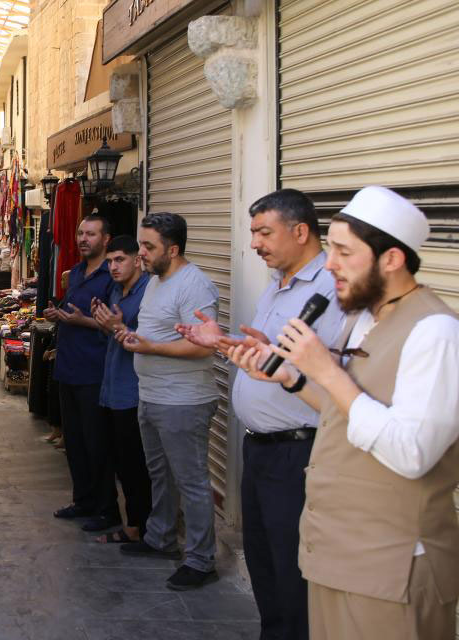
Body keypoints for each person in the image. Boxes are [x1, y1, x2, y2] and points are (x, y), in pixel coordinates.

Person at [227, 186, 459, 640]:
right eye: (330, 249)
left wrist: (326, 372)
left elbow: (412, 453)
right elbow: (342, 413)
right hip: (334, 548)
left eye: (343, 252)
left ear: (391, 259)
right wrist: (290, 378)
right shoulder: (363, 320)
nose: (329, 263)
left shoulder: (436, 332)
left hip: (391, 566)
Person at [178, 188, 343, 639]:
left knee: (293, 571)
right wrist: (223, 343)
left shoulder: (331, 290)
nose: (254, 243)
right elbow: (267, 357)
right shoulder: (278, 284)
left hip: (300, 452)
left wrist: (280, 364)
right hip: (260, 450)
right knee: (265, 563)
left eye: (264, 232)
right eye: (253, 233)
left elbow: (332, 372)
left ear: (301, 231)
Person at [112, 212, 221, 591]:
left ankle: (201, 560)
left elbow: (204, 347)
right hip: (153, 394)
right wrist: (126, 333)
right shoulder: (157, 282)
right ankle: (160, 538)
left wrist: (150, 347)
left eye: (148, 246)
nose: (140, 253)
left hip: (184, 401)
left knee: (191, 481)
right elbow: (153, 333)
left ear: (172, 250)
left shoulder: (195, 286)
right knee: (160, 473)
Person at [45, 215, 117, 534]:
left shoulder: (111, 277)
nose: (83, 239)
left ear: (106, 239)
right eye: (80, 233)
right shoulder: (75, 273)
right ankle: (83, 500)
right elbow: (71, 313)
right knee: (74, 442)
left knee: (96, 442)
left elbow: (114, 326)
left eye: (91, 234)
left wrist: (81, 321)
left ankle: (106, 508)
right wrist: (58, 315)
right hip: (68, 367)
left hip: (94, 371)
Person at [88, 235, 152, 545]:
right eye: (110, 261)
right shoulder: (115, 291)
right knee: (121, 462)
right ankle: (133, 524)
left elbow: (150, 340)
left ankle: (139, 528)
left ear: (137, 260)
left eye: (120, 260)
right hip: (112, 387)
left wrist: (116, 327)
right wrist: (103, 325)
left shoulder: (148, 293)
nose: (113, 267)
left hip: (134, 391)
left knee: (135, 464)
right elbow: (112, 338)